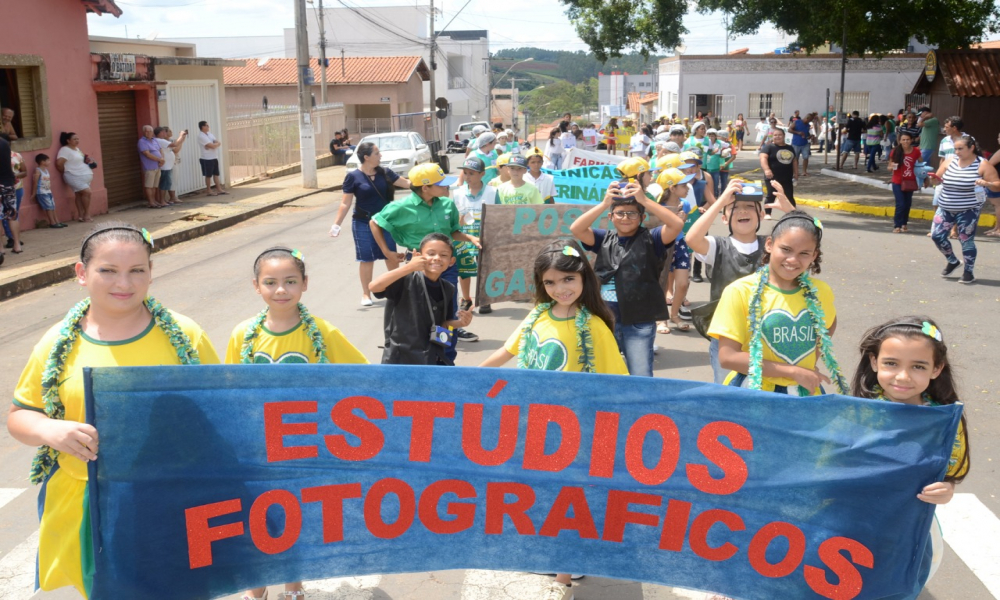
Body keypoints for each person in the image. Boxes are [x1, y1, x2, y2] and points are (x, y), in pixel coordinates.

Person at [6, 222, 219, 598]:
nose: (125, 282)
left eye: (137, 270)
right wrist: (50, 431)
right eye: (108, 270)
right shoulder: (57, 341)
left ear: (151, 273)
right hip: (89, 506)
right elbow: (20, 415)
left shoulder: (185, 336)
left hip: (171, 500)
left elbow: (222, 411)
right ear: (81, 274)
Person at [227, 246, 366, 600]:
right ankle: (255, 590)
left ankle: (293, 587)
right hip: (257, 449)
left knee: (296, 519)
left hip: (306, 448)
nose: (281, 290)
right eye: (270, 282)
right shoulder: (243, 333)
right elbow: (228, 390)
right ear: (256, 286)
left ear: (305, 284)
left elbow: (362, 376)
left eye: (290, 281)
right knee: (258, 518)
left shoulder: (322, 331)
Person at [850, 316, 969, 599]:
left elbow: (951, 472)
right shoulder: (855, 413)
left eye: (918, 366)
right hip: (850, 525)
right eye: (891, 363)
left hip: (905, 534)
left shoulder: (945, 422)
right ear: (874, 361)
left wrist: (946, 490)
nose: (903, 376)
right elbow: (824, 465)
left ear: (937, 368)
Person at [709, 210, 848, 395]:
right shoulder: (740, 291)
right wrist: (792, 371)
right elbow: (728, 357)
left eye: (804, 253)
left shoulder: (821, 292)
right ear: (769, 244)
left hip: (804, 393)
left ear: (814, 255)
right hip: (754, 392)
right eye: (786, 249)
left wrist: (810, 360)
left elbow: (829, 324)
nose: (793, 260)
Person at [570, 173, 684, 376]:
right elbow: (576, 228)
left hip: (639, 319)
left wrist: (644, 200)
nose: (625, 218)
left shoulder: (653, 238)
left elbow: (676, 225)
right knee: (603, 372)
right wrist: (605, 203)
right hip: (605, 318)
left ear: (642, 218)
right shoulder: (603, 238)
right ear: (611, 217)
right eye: (620, 213)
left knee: (639, 373)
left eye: (632, 214)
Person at [371, 164, 481, 351]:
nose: (447, 188)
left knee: (448, 305)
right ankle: (416, 347)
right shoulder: (401, 207)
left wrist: (470, 238)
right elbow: (375, 222)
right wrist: (387, 252)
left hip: (446, 266)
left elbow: (453, 231)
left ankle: (445, 351)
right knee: (419, 309)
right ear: (425, 187)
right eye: (441, 185)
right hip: (419, 266)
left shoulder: (446, 204)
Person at [687, 180, 785, 384]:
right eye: (734, 207)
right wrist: (721, 200)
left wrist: (789, 209)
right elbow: (692, 238)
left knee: (767, 388)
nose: (742, 211)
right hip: (727, 337)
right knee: (727, 390)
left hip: (767, 333)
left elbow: (810, 235)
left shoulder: (771, 245)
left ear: (760, 215)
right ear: (724, 218)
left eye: (750, 207)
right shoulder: (717, 245)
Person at [369, 232, 474, 365]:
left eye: (444, 255)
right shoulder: (405, 279)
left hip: (433, 357)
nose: (437, 258)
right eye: (431, 254)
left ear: (451, 261)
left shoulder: (448, 288)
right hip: (401, 359)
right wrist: (408, 267)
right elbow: (374, 287)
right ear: (419, 256)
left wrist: (460, 323)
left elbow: (444, 324)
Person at [329, 142, 412, 305]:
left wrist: (427, 183)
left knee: (391, 256)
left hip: (386, 222)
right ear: (366, 157)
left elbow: (407, 183)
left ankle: (397, 290)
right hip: (362, 222)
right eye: (377, 153)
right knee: (366, 258)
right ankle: (366, 294)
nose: (380, 156)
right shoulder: (353, 176)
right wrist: (336, 224)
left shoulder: (385, 173)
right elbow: (345, 203)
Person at [926, 135, 1000, 284]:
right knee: (937, 236)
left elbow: (997, 184)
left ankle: (968, 272)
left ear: (971, 148)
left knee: (966, 240)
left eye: (960, 149)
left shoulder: (982, 164)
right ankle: (952, 260)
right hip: (945, 207)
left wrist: (986, 183)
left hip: (968, 209)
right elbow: (937, 179)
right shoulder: (949, 162)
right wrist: (933, 180)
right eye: (955, 149)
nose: (957, 152)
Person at [451, 156, 497, 316]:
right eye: (465, 173)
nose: (468, 177)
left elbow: (499, 215)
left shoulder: (493, 192)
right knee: (464, 269)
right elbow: (455, 218)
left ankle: (485, 298)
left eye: (472, 173)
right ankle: (466, 298)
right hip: (464, 237)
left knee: (485, 268)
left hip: (486, 237)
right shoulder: (458, 193)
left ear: (482, 174)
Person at [56, 132, 94, 222]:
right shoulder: (65, 150)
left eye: (78, 139)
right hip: (73, 175)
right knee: (87, 192)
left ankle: (80, 216)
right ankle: (87, 214)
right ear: (68, 141)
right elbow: (59, 163)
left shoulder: (77, 149)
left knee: (79, 194)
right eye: (74, 139)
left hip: (83, 175)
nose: (77, 141)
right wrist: (65, 171)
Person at [759, 128, 797, 219]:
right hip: (772, 176)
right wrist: (767, 169)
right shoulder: (769, 147)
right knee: (771, 195)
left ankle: (792, 213)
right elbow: (763, 158)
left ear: (784, 136)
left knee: (789, 195)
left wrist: (796, 173)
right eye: (775, 135)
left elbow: (795, 161)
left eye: (779, 135)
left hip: (787, 176)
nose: (777, 137)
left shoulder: (789, 147)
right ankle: (768, 213)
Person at [889, 131, 921, 233]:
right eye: (903, 140)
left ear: (911, 140)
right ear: (900, 141)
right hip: (897, 181)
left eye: (907, 139)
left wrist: (923, 178)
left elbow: (921, 164)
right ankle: (897, 225)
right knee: (900, 204)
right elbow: (889, 166)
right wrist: (893, 166)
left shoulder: (916, 151)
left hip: (910, 182)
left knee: (907, 204)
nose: (906, 141)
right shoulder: (895, 151)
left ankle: (904, 223)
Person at [28, 153, 66, 228]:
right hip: (42, 192)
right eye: (48, 160)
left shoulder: (46, 170)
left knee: (53, 206)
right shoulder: (38, 171)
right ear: (42, 162)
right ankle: (52, 222)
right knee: (49, 207)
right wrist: (34, 193)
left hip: (48, 191)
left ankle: (57, 221)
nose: (49, 162)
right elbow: (35, 182)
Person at [3, 136, 26, 250]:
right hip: (9, 186)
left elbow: (23, 170)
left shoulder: (14, 154)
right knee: (12, 215)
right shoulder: (7, 150)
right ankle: (15, 243)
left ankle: (2, 249)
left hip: (9, 185)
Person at [0, 134, 21, 257]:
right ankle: (17, 245)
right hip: (8, 183)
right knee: (12, 215)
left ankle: (1, 248)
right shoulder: (4, 143)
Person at [197, 120, 227, 196]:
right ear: (202, 127)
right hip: (207, 158)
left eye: (208, 125)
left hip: (214, 157)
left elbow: (217, 142)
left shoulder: (209, 134)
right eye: (206, 125)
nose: (208, 127)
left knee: (216, 174)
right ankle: (208, 190)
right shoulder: (201, 136)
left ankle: (219, 189)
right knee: (208, 175)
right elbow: (212, 145)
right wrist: (214, 145)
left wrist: (214, 144)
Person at [138, 125, 164, 208]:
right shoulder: (142, 142)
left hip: (157, 166)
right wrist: (159, 160)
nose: (148, 133)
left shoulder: (155, 140)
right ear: (144, 132)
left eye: (149, 131)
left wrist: (162, 159)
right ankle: (151, 202)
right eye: (146, 131)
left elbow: (160, 150)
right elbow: (147, 154)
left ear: (152, 132)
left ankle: (154, 201)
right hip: (149, 167)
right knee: (149, 185)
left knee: (155, 185)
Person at [985, 131, 1000, 238]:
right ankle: (997, 227)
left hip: (995, 181)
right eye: (998, 136)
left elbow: (989, 165)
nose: (998, 139)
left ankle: (998, 229)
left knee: (998, 205)